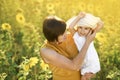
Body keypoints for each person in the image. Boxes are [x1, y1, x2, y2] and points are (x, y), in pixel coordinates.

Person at [40, 12, 97, 80]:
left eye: (65, 31)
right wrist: (87, 42)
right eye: (62, 33)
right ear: (53, 36)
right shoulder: (46, 51)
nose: (66, 34)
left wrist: (90, 71)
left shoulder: (70, 36)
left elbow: (88, 52)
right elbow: (74, 66)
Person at [67, 13, 104, 80]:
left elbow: (101, 24)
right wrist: (78, 17)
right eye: (80, 27)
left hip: (92, 61)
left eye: (86, 28)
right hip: (84, 61)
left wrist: (93, 19)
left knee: (85, 77)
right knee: (85, 77)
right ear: (77, 28)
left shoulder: (90, 35)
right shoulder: (77, 36)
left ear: (90, 30)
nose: (82, 31)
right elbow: (70, 27)